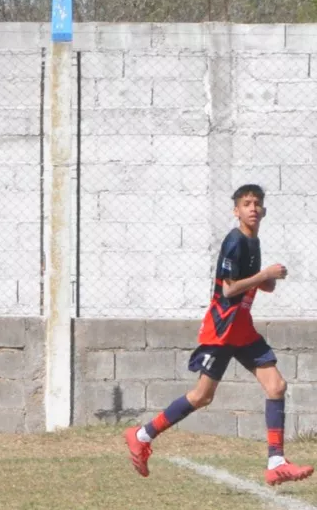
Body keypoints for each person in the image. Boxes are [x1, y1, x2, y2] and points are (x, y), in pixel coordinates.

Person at [126, 184, 312, 485]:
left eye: (257, 203)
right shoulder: (235, 241)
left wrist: (263, 281)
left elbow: (245, 281)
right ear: (236, 211)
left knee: (276, 386)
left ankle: (276, 461)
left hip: (242, 327)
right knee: (202, 396)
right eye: (246, 203)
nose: (253, 208)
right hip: (223, 328)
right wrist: (264, 275)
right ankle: (142, 435)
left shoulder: (253, 240)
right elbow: (228, 289)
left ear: (264, 210)